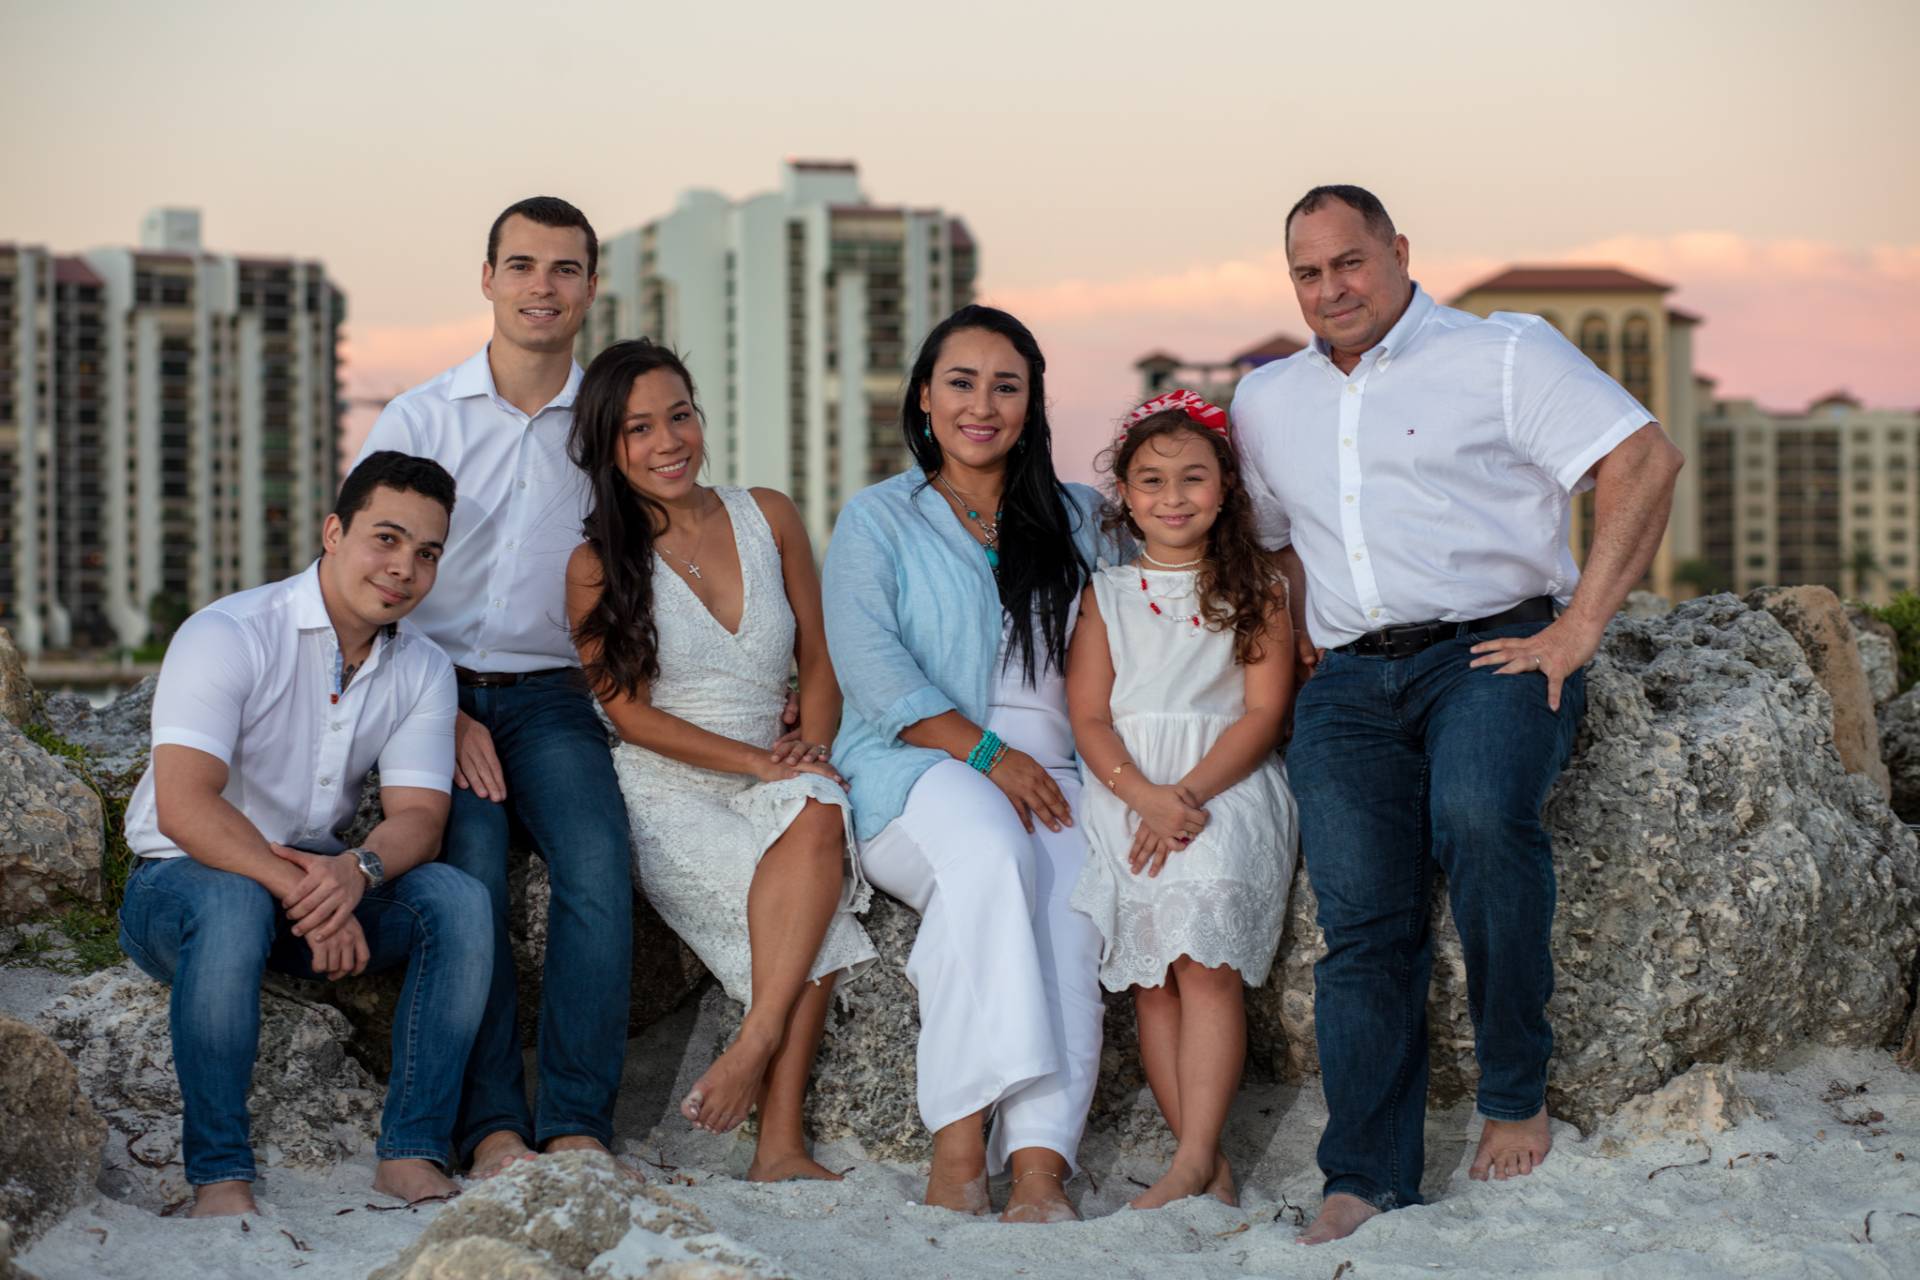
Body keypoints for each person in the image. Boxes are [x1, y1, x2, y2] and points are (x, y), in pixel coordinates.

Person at [1230, 184, 1685, 1244]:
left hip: (1492, 647)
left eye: (1350, 261)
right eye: (1307, 272)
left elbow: (1645, 457)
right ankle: (1366, 1173)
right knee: (1362, 918)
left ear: (1398, 250)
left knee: (1482, 816)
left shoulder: (1504, 352)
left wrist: (1577, 628)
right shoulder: (1267, 399)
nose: (1330, 287)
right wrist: (1296, 632)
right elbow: (1270, 534)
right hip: (1346, 681)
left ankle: (1514, 1088)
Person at [116, 452, 488, 1217]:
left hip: (311, 892)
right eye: (385, 539)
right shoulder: (230, 631)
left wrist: (360, 871)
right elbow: (186, 807)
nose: (403, 569)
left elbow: (420, 815)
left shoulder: (422, 666)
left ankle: (411, 1151)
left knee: (456, 899)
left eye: (426, 554)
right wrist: (313, 893)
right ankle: (220, 1177)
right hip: (179, 888)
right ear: (332, 532)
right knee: (231, 904)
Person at [352, 196, 634, 1177]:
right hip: (431, 685)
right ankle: (492, 1128)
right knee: (466, 872)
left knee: (598, 865)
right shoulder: (422, 416)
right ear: (486, 278)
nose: (541, 287)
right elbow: (368, 577)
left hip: (556, 691)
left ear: (591, 288)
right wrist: (442, 706)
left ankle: (577, 1122)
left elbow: (658, 558)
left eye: (564, 269)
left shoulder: (607, 423)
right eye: (521, 265)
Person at [823, 304, 1116, 1223]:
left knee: (1069, 910)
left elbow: (1163, 598)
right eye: (960, 381)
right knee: (991, 852)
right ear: (923, 397)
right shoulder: (878, 518)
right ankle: (958, 1150)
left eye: (1006, 386)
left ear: (1030, 407)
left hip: (1063, 772)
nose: (981, 404)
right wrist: (990, 755)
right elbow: (872, 670)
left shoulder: (1079, 517)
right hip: (915, 767)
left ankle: (1037, 1169)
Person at [563, 338, 875, 1181]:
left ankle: (757, 1052)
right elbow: (625, 714)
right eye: (639, 429)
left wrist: (808, 738)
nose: (668, 442)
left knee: (819, 803)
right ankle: (779, 1141)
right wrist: (757, 761)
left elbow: (820, 653)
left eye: (680, 416)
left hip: (774, 760)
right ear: (605, 445)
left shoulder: (767, 513)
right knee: (815, 918)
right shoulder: (595, 565)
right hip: (671, 783)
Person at [1066, 389, 1299, 1211]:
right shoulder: (1106, 594)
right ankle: (1198, 1161)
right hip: (1128, 788)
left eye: (1192, 478)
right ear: (1124, 495)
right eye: (1152, 481)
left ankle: (1197, 1154)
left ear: (1226, 488)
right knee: (1152, 980)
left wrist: (1186, 796)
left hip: (1223, 784)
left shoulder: (1257, 587)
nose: (1173, 498)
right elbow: (1089, 715)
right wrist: (1143, 797)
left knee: (1204, 966)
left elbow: (1266, 713)